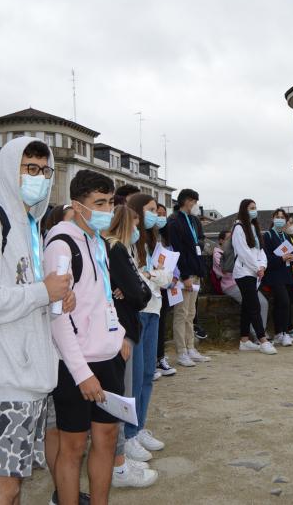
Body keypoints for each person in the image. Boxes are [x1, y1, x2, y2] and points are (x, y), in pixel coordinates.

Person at [0, 138, 73, 505]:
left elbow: (25, 291)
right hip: (3, 379)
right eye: (29, 168)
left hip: (29, 375)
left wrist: (55, 298)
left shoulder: (30, 228)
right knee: (3, 484)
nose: (38, 177)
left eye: (44, 170)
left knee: (14, 483)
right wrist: (42, 293)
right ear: (8, 170)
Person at [44, 170, 126, 505]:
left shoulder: (97, 241)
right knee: (73, 446)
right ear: (78, 206)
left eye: (110, 201)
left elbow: (102, 297)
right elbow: (57, 316)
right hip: (76, 365)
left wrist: (118, 336)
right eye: (99, 203)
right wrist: (82, 373)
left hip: (108, 357)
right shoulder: (61, 245)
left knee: (106, 438)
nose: (107, 209)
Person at [104, 205, 158, 488]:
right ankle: (120, 457)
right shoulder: (116, 249)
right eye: (136, 222)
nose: (139, 228)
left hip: (128, 325)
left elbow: (141, 291)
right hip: (123, 328)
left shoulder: (121, 250)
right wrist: (135, 290)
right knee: (125, 392)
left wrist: (137, 289)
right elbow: (139, 295)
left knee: (135, 385)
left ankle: (124, 450)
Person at [125, 194, 173, 460]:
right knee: (134, 378)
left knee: (146, 375)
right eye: (151, 210)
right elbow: (138, 275)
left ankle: (139, 426)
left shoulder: (153, 241)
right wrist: (154, 275)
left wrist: (153, 275)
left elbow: (161, 276)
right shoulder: (130, 240)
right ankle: (128, 433)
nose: (156, 214)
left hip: (153, 308)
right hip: (138, 312)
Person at [166, 188, 210, 367]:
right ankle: (181, 351)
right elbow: (177, 250)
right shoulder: (174, 221)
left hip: (196, 271)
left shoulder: (194, 220)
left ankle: (191, 347)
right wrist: (184, 276)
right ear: (187, 201)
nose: (195, 205)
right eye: (194, 201)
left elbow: (200, 239)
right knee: (181, 313)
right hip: (184, 275)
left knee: (191, 313)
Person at [232, 199, 277, 355]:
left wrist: (262, 266)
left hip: (254, 272)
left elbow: (260, 250)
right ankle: (262, 339)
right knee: (254, 305)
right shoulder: (239, 228)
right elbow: (243, 252)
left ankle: (244, 340)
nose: (254, 210)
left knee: (247, 305)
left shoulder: (253, 227)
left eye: (255, 207)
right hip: (244, 272)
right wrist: (257, 267)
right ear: (244, 209)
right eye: (251, 208)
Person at [214, 230, 270, 338]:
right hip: (231, 285)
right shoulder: (218, 253)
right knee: (255, 303)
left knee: (260, 303)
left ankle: (259, 332)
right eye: (228, 239)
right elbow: (226, 270)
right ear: (221, 241)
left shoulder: (238, 251)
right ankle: (258, 334)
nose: (232, 241)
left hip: (245, 282)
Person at [262, 209, 293, 346]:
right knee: (284, 302)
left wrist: (292, 257)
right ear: (273, 218)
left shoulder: (286, 236)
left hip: (287, 275)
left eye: (283, 217)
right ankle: (283, 333)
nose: (280, 219)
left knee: (281, 304)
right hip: (274, 275)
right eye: (278, 217)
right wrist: (281, 258)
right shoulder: (268, 236)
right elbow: (266, 258)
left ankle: (279, 333)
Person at [154, 203, 178, 377]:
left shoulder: (167, 238)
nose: (161, 217)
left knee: (161, 324)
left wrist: (175, 276)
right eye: (157, 213)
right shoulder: (144, 237)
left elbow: (173, 258)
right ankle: (153, 360)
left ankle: (160, 357)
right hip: (152, 286)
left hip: (165, 286)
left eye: (163, 214)